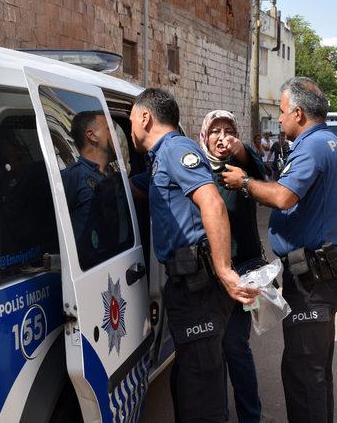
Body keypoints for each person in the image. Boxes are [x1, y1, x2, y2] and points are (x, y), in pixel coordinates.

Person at [223, 77, 337, 423]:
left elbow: (283, 197)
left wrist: (245, 183)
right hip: (324, 270)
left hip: (312, 277)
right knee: (315, 368)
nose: (279, 120)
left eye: (282, 112)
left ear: (298, 113)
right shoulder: (333, 144)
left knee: (303, 372)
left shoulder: (312, 146)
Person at [129, 89, 259, 423]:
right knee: (190, 376)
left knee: (202, 385)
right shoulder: (163, 155)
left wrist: (225, 270)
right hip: (186, 281)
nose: (130, 128)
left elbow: (212, 203)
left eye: (130, 119)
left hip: (198, 284)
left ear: (145, 117)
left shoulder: (176, 149)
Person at [198, 109, 265, 423]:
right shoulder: (196, 172)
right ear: (204, 135)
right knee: (210, 353)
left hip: (243, 274)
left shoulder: (243, 170)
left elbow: (264, 177)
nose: (221, 137)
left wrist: (242, 151)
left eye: (228, 130)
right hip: (209, 277)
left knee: (236, 347)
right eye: (215, 131)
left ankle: (250, 417)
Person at [61, 111, 128, 269]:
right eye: (109, 129)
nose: (115, 136)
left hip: (121, 262)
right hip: (92, 272)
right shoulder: (73, 177)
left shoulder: (117, 177)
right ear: (92, 135)